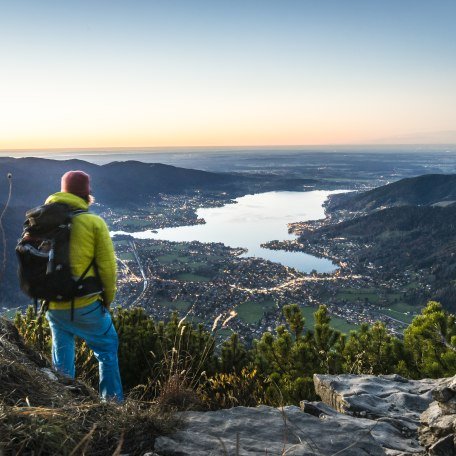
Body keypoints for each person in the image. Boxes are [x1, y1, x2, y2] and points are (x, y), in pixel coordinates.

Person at [45, 170, 123, 402]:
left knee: (62, 350)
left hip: (53, 304)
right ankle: (113, 405)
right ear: (87, 193)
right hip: (86, 305)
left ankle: (63, 401)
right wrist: (107, 301)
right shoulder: (93, 223)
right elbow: (108, 270)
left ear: (62, 190)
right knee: (107, 349)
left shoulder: (43, 221)